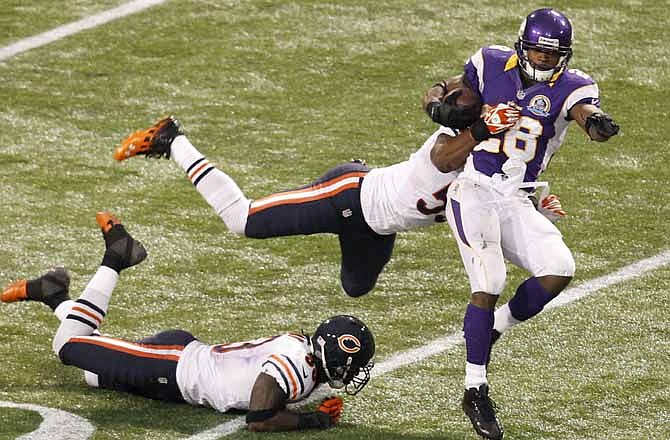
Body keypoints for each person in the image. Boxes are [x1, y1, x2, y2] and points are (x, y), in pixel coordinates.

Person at [111, 86, 562, 298]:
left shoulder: (491, 156)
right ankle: (172, 140)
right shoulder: (449, 143)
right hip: (349, 197)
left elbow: (503, 188)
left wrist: (536, 199)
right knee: (243, 220)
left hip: (378, 228)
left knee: (356, 288)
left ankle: (362, 176)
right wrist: (478, 125)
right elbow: (447, 159)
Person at [1, 212, 375, 432]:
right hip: (170, 365)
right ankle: (117, 255)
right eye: (352, 364)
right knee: (67, 347)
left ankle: (54, 295)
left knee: (92, 373)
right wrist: (312, 423)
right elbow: (260, 416)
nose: (353, 372)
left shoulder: (303, 356)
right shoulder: (299, 362)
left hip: (176, 376)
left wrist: (314, 405)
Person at [429, 8, 619, 440]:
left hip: (518, 197)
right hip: (474, 188)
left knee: (559, 268)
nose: (545, 59)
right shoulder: (489, 62)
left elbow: (584, 111)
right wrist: (453, 111)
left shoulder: (573, 85)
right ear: (522, 44)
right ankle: (474, 387)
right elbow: (446, 98)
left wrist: (597, 124)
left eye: (553, 55)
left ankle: (492, 329)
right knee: (491, 277)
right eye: (538, 50)